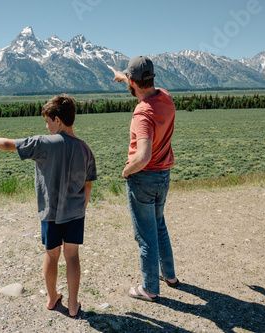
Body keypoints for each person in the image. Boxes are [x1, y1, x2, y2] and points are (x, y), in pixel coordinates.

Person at [0, 94, 97, 317]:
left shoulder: (42, 143)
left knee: (51, 255)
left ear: (57, 120)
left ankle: (52, 298)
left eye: (47, 121)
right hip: (74, 213)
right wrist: (81, 209)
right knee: (72, 256)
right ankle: (73, 306)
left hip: (50, 214)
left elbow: (8, 144)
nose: (46, 126)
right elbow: (88, 185)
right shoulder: (85, 149)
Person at [111, 56, 179, 302]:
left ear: (133, 82)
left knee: (145, 235)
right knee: (159, 226)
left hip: (144, 178)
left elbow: (143, 156)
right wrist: (123, 77)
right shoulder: (166, 97)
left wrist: (127, 170)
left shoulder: (142, 114)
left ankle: (149, 288)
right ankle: (169, 275)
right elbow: (142, 88)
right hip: (163, 176)